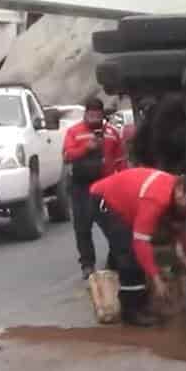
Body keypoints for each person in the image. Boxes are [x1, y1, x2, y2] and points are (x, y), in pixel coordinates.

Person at [88, 167, 186, 326]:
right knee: (130, 253)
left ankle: (117, 278)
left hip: (125, 201)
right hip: (104, 199)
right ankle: (132, 311)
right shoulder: (156, 199)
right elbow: (140, 242)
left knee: (126, 246)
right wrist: (156, 279)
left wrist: (183, 257)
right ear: (180, 190)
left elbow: (176, 228)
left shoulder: (175, 194)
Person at [62, 97, 126, 278]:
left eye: (98, 115)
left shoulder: (112, 133)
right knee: (82, 227)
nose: (94, 119)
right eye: (91, 115)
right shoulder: (74, 132)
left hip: (105, 185)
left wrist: (121, 183)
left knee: (113, 225)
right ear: (85, 114)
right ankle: (87, 265)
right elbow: (67, 155)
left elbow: (120, 161)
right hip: (81, 186)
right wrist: (86, 148)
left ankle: (114, 261)